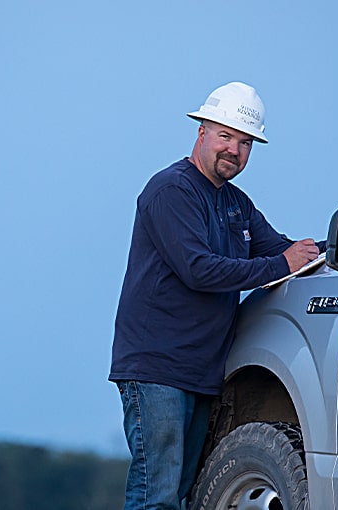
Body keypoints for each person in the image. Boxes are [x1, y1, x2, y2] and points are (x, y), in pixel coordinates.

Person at [109, 81, 322, 510]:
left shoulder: (235, 204)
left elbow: (282, 248)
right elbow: (199, 270)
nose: (235, 150)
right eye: (225, 136)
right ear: (201, 130)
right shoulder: (171, 191)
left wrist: (329, 256)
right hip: (157, 368)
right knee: (157, 496)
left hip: (201, 371)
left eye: (245, 143)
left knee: (183, 494)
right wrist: (283, 265)